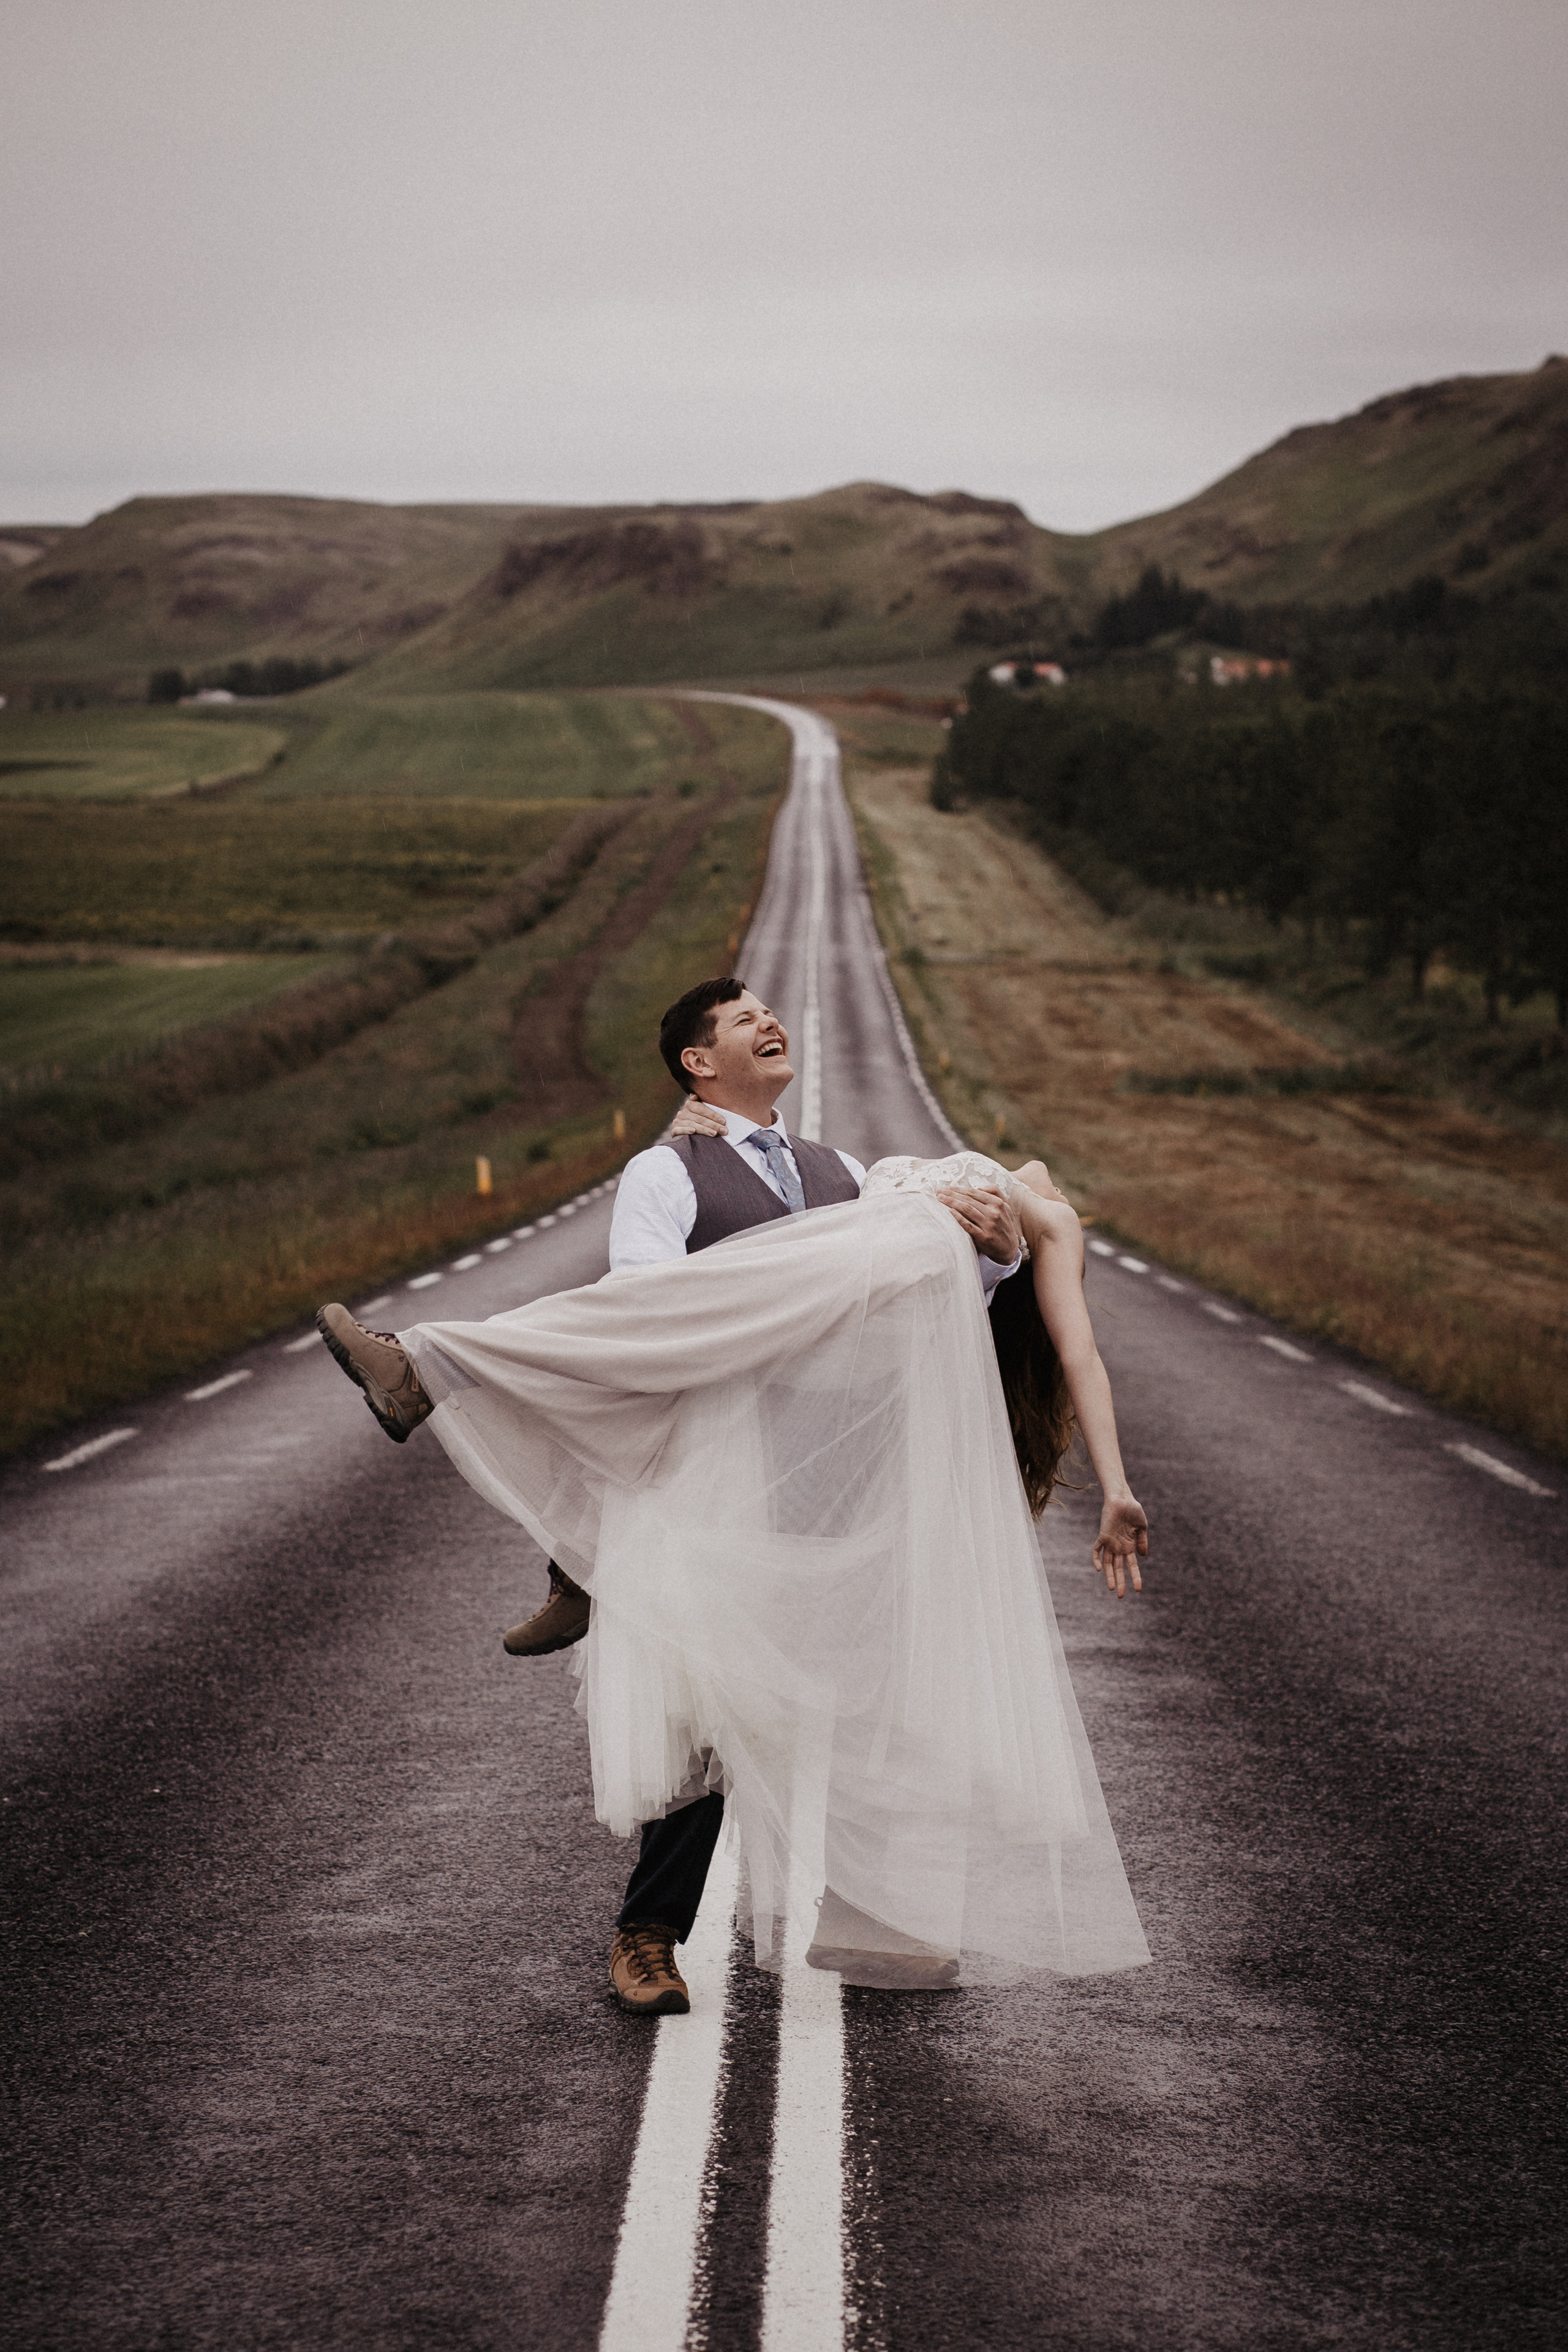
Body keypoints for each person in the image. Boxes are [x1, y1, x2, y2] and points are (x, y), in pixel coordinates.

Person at [317, 976, 1150, 2011]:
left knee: (871, 1704)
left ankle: (875, 1921)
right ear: (697, 1066)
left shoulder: (842, 1170)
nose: (768, 1020)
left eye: (770, 1010)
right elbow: (645, 1313)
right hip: (724, 1478)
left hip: (844, 1481)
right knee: (707, 1711)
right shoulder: (664, 1173)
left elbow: (934, 1298)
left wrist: (976, 1236)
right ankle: (648, 1937)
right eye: (740, 1019)